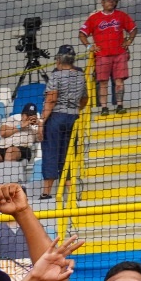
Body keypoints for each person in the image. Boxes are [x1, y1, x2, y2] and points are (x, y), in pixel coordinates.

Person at [80, 0, 137, 113]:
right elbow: (82, 34)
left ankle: (120, 105)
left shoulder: (122, 15)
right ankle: (104, 107)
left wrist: (128, 41)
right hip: (102, 55)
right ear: (102, 1)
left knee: (119, 81)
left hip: (119, 53)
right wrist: (90, 47)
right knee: (103, 82)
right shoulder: (94, 17)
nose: (111, 1)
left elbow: (133, 29)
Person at [41, 45, 86, 200]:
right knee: (67, 154)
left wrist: (41, 121)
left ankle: (46, 192)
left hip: (56, 118)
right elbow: (84, 98)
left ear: (59, 59)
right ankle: (71, 192)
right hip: (72, 118)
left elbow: (51, 99)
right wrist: (74, 110)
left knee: (51, 152)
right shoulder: (81, 75)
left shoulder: (57, 75)